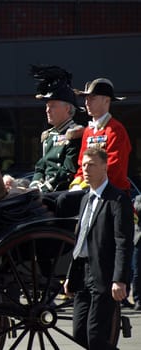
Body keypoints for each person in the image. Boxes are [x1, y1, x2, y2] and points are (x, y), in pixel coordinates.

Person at [63, 148, 133, 350]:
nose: (86, 169)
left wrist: (120, 279)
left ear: (105, 167)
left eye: (91, 165)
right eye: (84, 165)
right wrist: (70, 275)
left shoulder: (117, 200)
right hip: (83, 273)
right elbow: (80, 240)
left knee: (95, 335)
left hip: (104, 274)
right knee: (79, 333)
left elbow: (123, 242)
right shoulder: (86, 198)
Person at [70, 78, 131, 193]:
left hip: (113, 192)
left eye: (92, 98)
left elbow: (114, 166)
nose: (87, 102)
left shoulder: (116, 129)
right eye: (86, 98)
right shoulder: (88, 130)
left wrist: (86, 184)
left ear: (106, 101)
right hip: (90, 188)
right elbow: (81, 163)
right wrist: (77, 184)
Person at [29, 65, 84, 192]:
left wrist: (44, 190)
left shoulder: (75, 133)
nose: (47, 110)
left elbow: (68, 171)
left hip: (61, 191)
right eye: (47, 106)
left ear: (67, 108)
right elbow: (41, 167)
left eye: (52, 105)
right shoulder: (49, 135)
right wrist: (35, 185)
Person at [132, 195, 141, 311]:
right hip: (139, 240)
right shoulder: (139, 198)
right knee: (137, 272)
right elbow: (137, 212)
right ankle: (138, 299)